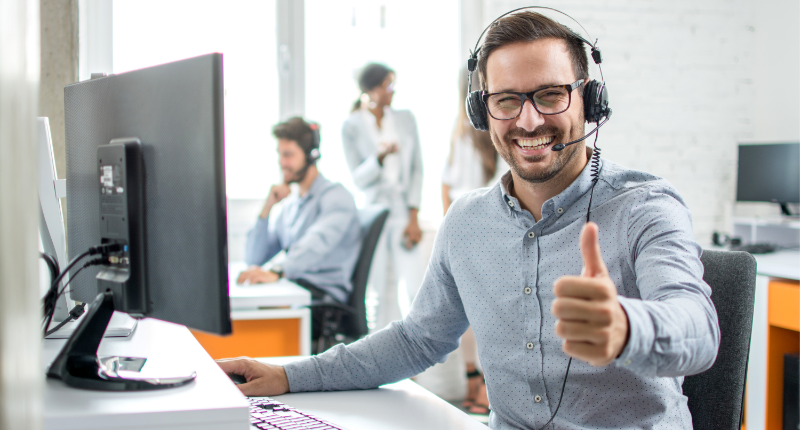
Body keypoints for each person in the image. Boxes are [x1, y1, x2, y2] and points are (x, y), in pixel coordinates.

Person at [219, 11, 720, 429]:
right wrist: (288, 376)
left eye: (550, 95)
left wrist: (628, 327)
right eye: (507, 101)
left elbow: (698, 327)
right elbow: (418, 340)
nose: (528, 121)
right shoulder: (466, 222)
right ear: (484, 113)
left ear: (588, 100)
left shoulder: (644, 206)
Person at [237, 117, 361, 328]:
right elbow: (254, 258)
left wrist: (277, 271)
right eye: (279, 154)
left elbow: (317, 242)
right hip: (296, 292)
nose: (282, 162)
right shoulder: (290, 205)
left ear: (312, 155)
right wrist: (266, 209)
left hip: (322, 304)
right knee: (245, 311)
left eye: (288, 155)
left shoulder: (336, 197)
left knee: (252, 319)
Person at [442, 66, 509, 415]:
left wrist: (450, 228)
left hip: (476, 231)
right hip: (486, 231)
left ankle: (476, 386)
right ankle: (481, 387)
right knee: (483, 314)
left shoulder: (464, 133)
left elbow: (446, 185)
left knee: (473, 313)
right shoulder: (481, 133)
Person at [340, 63, 424, 331]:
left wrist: (414, 217)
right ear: (372, 90)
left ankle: (417, 353)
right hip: (374, 212)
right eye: (388, 86)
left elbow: (416, 169)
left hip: (402, 212)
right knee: (378, 289)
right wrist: (378, 157)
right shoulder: (351, 126)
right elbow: (357, 178)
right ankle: (382, 354)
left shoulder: (404, 119)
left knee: (414, 286)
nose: (392, 91)